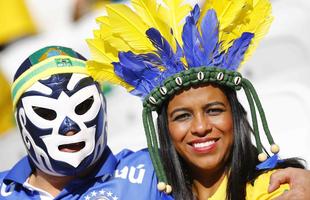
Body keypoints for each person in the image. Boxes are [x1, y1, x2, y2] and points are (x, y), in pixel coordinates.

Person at [85, 0, 307, 199]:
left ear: (235, 115)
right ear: (165, 129)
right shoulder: (147, 189)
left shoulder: (277, 189)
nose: (201, 127)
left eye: (214, 111)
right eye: (182, 116)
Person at [0, 46, 171, 199]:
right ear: (21, 121)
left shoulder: (151, 171)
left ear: (103, 106)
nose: (69, 127)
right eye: (45, 112)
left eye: (82, 106)